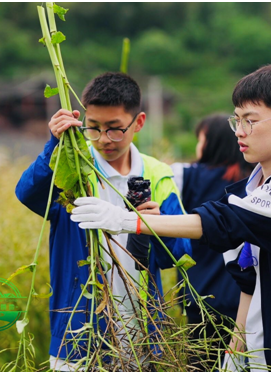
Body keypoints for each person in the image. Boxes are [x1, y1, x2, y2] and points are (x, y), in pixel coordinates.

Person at [70, 64, 271, 371]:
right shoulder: (255, 184)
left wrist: (130, 222)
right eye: (236, 120)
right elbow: (249, 279)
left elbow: (223, 221)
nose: (239, 131)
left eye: (250, 121)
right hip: (268, 350)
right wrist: (235, 351)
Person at [15, 72, 191, 370]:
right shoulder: (73, 168)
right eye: (93, 128)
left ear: (139, 122)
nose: (103, 139)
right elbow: (27, 193)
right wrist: (54, 145)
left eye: (115, 129)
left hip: (140, 338)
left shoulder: (158, 173)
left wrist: (156, 227)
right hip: (77, 337)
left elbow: (178, 253)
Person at [170, 113, 253, 369]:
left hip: (201, 297)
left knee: (203, 364)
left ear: (209, 142)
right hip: (248, 300)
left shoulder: (188, 176)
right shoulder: (255, 180)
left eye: (200, 138)